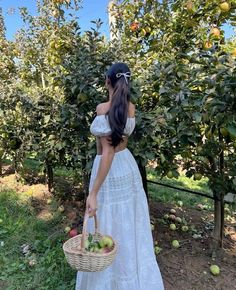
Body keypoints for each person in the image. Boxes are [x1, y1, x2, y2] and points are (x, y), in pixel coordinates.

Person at [75, 62, 165, 290]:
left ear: (108, 81)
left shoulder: (102, 108)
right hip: (127, 166)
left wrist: (93, 191)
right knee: (128, 222)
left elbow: (106, 152)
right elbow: (114, 149)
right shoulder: (131, 108)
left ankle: (105, 279)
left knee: (104, 220)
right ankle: (129, 276)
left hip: (108, 169)